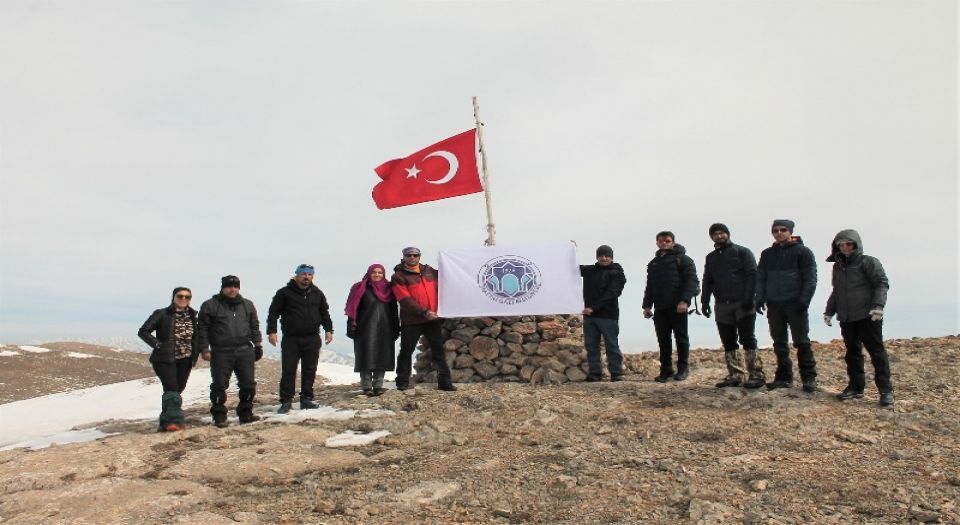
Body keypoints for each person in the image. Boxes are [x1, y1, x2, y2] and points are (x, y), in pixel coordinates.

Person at [823, 230, 893, 406]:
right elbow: (837, 291)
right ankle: (856, 387)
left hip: (867, 316)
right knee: (852, 353)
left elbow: (881, 284)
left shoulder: (868, 262)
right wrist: (829, 311)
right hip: (846, 317)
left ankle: (886, 391)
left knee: (876, 352)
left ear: (856, 244)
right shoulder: (837, 266)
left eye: (848, 243)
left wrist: (878, 307)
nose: (845, 247)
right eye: (841, 244)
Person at [755, 220, 818, 392]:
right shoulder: (767, 254)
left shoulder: (803, 252)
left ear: (790, 231)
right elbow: (760, 277)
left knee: (802, 342)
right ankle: (783, 377)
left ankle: (809, 378)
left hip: (795, 303)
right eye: (775, 230)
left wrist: (804, 300)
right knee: (779, 342)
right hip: (774, 304)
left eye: (783, 230)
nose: (779, 233)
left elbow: (810, 278)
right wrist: (759, 299)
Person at [701, 224, 765, 389]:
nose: (719, 236)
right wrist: (704, 301)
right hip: (722, 304)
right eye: (715, 234)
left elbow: (753, 274)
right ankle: (736, 375)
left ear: (728, 234)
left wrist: (750, 298)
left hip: (742, 303)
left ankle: (756, 375)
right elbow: (707, 279)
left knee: (747, 338)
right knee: (728, 340)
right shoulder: (711, 257)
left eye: (721, 232)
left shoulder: (743, 252)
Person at [266, 264, 334, 414]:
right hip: (291, 338)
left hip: (312, 337)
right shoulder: (284, 293)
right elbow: (273, 313)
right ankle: (286, 401)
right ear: (296, 275)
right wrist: (272, 331)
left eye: (309, 274)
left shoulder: (317, 293)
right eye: (303, 274)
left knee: (310, 369)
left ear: (312, 276)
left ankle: (306, 399)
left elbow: (325, 313)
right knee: (289, 370)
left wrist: (328, 330)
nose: (306, 277)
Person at [196, 275, 263, 427]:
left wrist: (258, 344)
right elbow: (202, 329)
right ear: (223, 287)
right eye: (229, 286)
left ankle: (246, 414)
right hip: (221, 351)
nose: (232, 289)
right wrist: (205, 349)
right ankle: (219, 416)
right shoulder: (210, 305)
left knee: (248, 384)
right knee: (219, 385)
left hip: (244, 349)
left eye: (235, 286)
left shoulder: (247, 305)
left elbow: (254, 325)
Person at [391, 246, 456, 391]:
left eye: (415, 255)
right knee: (406, 351)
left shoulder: (430, 271)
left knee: (438, 351)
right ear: (404, 257)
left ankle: (445, 383)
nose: (412, 257)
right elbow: (404, 299)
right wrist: (424, 312)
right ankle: (402, 382)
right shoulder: (398, 276)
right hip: (412, 321)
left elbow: (448, 278)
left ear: (419, 256)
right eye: (409, 255)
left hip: (432, 319)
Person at [137, 287, 200, 432]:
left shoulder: (192, 316)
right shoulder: (162, 313)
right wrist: (158, 344)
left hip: (186, 358)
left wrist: (198, 353)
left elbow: (197, 337)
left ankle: (164, 422)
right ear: (173, 297)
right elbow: (143, 331)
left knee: (177, 390)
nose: (183, 299)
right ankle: (175, 422)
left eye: (187, 297)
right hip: (165, 358)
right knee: (172, 388)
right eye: (180, 296)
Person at [643, 231, 700, 382]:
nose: (664, 243)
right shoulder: (653, 263)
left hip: (678, 306)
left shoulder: (684, 260)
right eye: (661, 241)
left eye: (667, 241)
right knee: (663, 340)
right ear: (657, 242)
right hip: (660, 307)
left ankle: (683, 369)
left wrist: (685, 301)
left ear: (673, 242)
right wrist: (647, 306)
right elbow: (650, 286)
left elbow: (692, 281)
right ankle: (666, 370)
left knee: (681, 338)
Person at [345, 263, 400, 395]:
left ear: (383, 274)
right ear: (369, 273)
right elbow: (353, 309)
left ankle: (378, 386)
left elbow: (394, 311)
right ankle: (367, 387)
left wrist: (396, 328)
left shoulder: (389, 290)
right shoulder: (360, 288)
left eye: (380, 272)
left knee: (383, 357)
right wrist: (351, 326)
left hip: (385, 329)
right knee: (366, 357)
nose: (377, 275)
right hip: (364, 329)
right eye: (374, 272)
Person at [580, 245, 627, 382]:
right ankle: (595, 373)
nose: (604, 258)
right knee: (591, 345)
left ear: (612, 257)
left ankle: (616, 373)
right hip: (590, 316)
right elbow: (572, 268)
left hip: (608, 315)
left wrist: (593, 307)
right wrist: (571, 249)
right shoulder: (590, 270)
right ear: (597, 257)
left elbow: (612, 293)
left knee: (611, 344)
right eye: (601, 255)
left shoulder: (617, 273)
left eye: (607, 255)